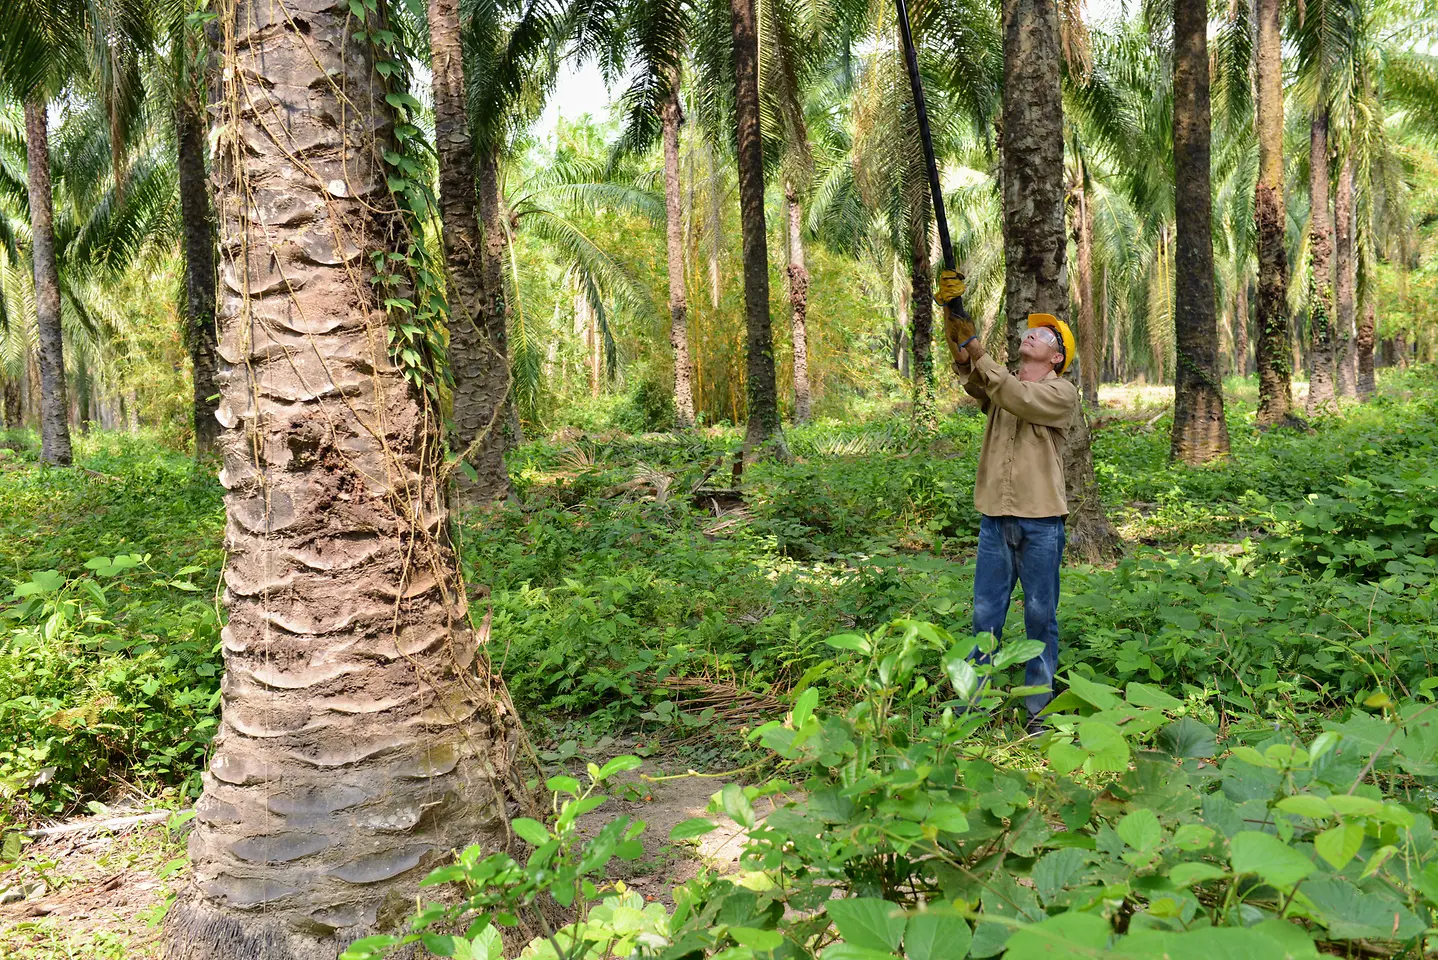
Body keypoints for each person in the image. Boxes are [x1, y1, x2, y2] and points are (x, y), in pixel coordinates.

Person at [933, 269, 1079, 734]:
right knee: (984, 616)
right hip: (995, 519)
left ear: (1056, 358)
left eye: (1042, 334)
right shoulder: (1000, 388)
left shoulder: (1061, 393)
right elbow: (975, 375)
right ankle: (975, 707)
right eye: (1029, 329)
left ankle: (1038, 709)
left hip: (1041, 523)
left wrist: (976, 345)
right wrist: (953, 319)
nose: (1029, 333)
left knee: (1041, 616)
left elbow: (1014, 393)